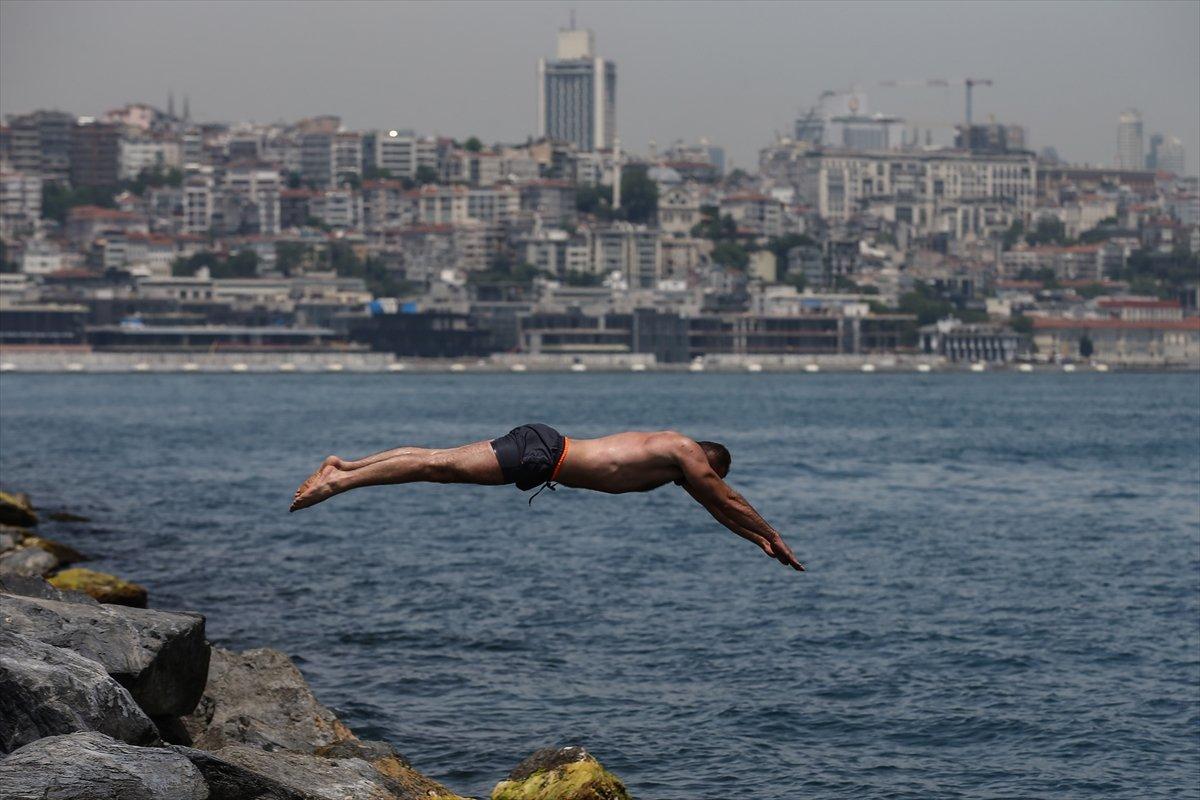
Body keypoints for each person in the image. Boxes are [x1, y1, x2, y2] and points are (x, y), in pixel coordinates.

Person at [291, 423, 803, 572]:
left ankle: (344, 467)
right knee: (437, 465)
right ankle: (338, 481)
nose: (702, 483)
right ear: (709, 462)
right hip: (545, 453)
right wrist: (771, 533)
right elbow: (725, 498)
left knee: (438, 463)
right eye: (709, 475)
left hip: (543, 453)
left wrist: (754, 540)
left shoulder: (677, 469)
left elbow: (719, 508)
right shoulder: (684, 450)